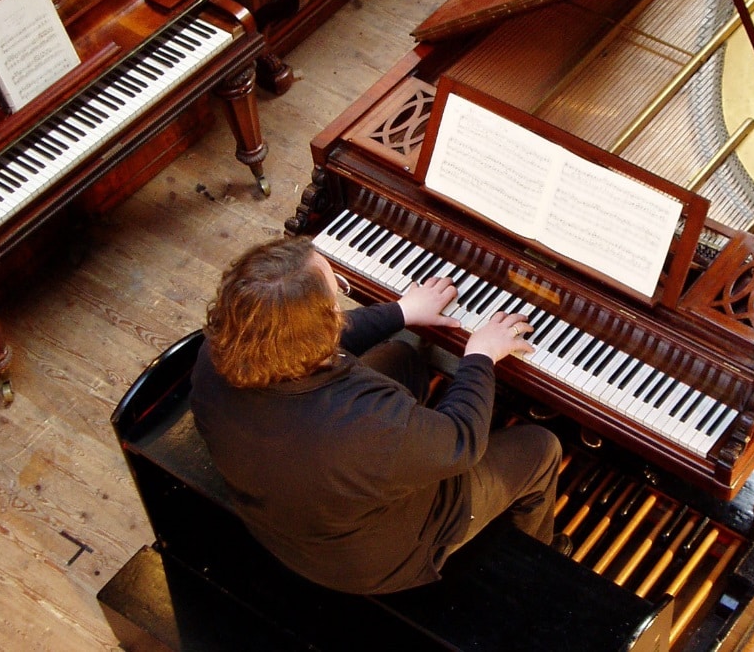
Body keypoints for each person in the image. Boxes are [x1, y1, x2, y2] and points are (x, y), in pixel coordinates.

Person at [189, 235, 564, 595]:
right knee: (541, 448)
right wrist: (480, 354)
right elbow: (463, 440)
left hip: (291, 501)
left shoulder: (215, 355)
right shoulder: (364, 427)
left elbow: (299, 340)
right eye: (336, 296)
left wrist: (401, 311)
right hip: (369, 561)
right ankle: (534, 554)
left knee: (401, 357)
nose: (339, 300)